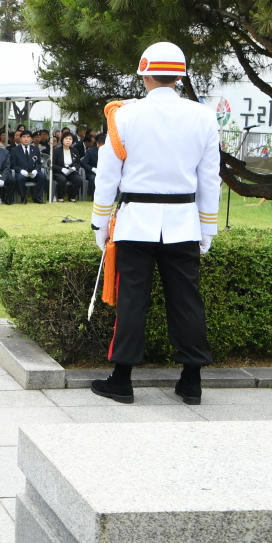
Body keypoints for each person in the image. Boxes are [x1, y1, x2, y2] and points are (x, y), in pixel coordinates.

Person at [90, 42, 220, 406]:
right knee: (187, 301)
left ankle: (122, 379)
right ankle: (191, 381)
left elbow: (108, 175)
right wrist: (206, 228)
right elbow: (210, 179)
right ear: (180, 76)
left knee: (132, 300)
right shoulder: (204, 116)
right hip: (183, 223)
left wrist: (100, 222)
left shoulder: (124, 116)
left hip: (136, 223)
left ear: (145, 72)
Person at [11, 130, 46, 203]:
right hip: (21, 172)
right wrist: (21, 171)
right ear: (20, 139)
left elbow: (39, 163)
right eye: (24, 137)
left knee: (42, 176)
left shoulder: (36, 149)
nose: (26, 139)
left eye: (28, 137)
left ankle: (38, 197)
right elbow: (13, 164)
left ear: (31, 139)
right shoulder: (14, 150)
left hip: (33, 172)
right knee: (20, 178)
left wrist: (36, 170)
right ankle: (23, 197)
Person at [51, 132, 84, 202]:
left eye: (70, 139)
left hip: (71, 171)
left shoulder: (74, 150)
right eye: (66, 139)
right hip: (60, 171)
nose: (68, 140)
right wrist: (61, 169)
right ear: (62, 140)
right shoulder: (56, 151)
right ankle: (60, 197)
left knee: (78, 180)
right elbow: (52, 164)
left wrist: (75, 168)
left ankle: (72, 197)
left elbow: (78, 162)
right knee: (62, 179)